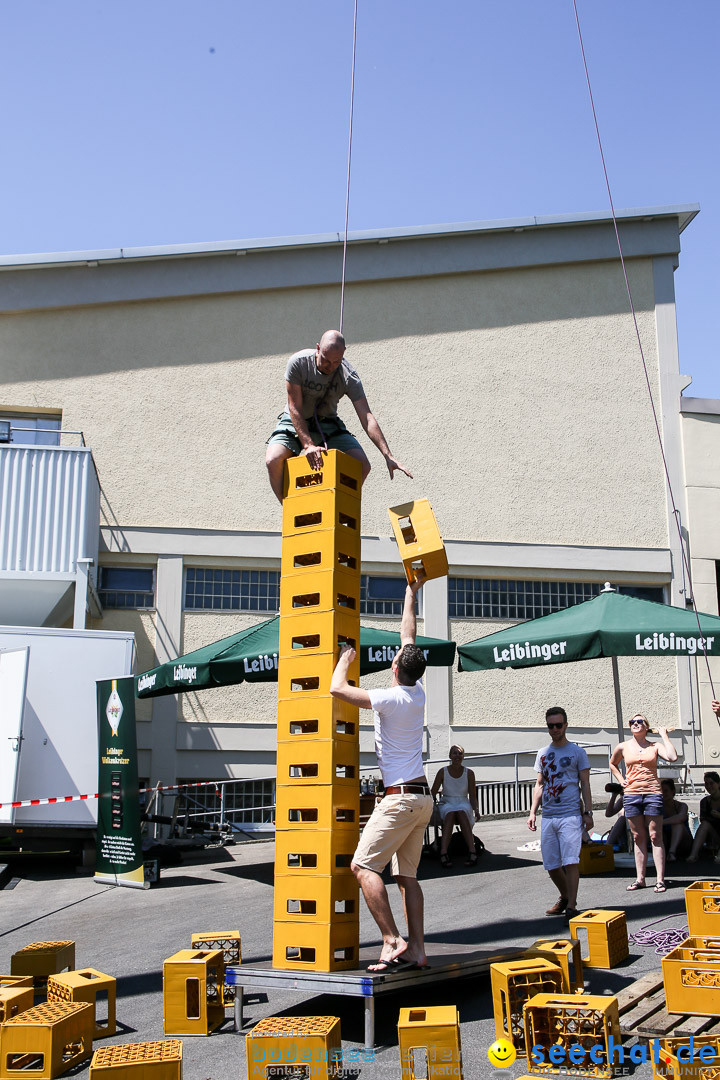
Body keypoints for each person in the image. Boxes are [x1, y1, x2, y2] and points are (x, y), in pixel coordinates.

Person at [330, 573, 432, 973]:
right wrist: (412, 592)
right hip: (423, 799)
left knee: (362, 867)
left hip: (401, 798)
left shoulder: (389, 698)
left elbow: (338, 690)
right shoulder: (417, 691)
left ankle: (392, 940)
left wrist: (345, 657)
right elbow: (408, 633)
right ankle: (418, 950)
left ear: (394, 667)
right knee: (407, 877)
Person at [265, 329, 412, 501]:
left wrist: (388, 455)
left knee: (361, 465)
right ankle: (289, 510)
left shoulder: (348, 375)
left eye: (336, 362)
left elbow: (367, 417)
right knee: (273, 460)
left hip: (328, 423)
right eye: (326, 361)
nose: (330, 367)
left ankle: (333, 511)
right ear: (318, 348)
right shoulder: (299, 363)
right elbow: (294, 407)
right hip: (295, 419)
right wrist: (308, 445)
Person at [527, 707, 593, 920]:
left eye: (558, 725)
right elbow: (539, 784)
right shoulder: (543, 753)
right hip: (549, 815)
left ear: (565, 725)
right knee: (551, 864)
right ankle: (565, 896)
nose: (554, 729)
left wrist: (588, 812)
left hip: (570, 814)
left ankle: (572, 906)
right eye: (550, 726)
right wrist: (532, 812)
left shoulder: (577, 752)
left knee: (570, 861)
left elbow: (585, 783)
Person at [609, 713, 678, 893]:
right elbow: (612, 764)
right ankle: (640, 879)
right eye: (633, 722)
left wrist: (664, 736)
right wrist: (621, 779)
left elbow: (672, 757)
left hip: (653, 793)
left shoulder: (655, 746)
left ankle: (660, 879)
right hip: (632, 794)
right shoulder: (623, 747)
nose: (636, 724)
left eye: (640, 722)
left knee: (655, 836)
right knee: (638, 836)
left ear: (646, 727)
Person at [430, 745, 480, 868]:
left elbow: (472, 796)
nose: (457, 756)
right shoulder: (443, 771)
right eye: (454, 753)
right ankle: (443, 852)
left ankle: (472, 851)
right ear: (450, 756)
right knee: (451, 813)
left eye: (460, 753)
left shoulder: (469, 773)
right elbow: (433, 792)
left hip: (463, 801)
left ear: (463, 756)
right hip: (447, 801)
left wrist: (476, 810)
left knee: (461, 812)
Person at [688, 771, 720, 862]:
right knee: (705, 824)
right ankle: (693, 855)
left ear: (718, 784)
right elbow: (703, 820)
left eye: (711, 783)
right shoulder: (704, 801)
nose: (709, 786)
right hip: (714, 835)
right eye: (706, 783)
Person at [661, 778, 693, 861]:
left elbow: (681, 817)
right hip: (666, 840)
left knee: (677, 824)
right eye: (661, 791)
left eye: (665, 791)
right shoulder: (658, 807)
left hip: (684, 842)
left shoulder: (682, 806)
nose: (663, 794)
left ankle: (672, 853)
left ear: (673, 791)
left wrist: (660, 822)